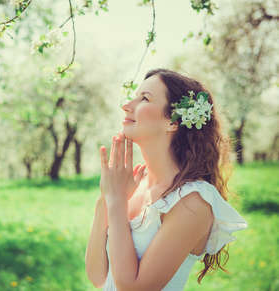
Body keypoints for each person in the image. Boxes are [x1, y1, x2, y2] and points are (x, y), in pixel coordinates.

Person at [85, 68, 248, 291]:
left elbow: (134, 288)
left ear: (173, 122)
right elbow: (99, 277)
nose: (127, 106)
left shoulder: (193, 201)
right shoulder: (133, 186)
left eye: (144, 98)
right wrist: (105, 200)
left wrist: (115, 202)